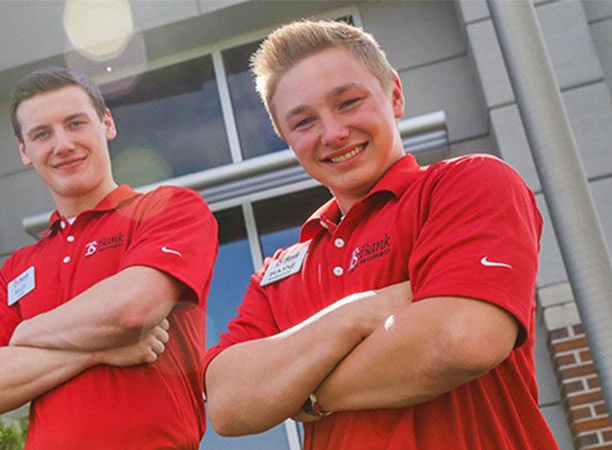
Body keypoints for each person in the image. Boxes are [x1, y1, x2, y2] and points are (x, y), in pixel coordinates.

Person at [203, 20, 558, 449]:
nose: (332, 133)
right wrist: (357, 313)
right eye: (303, 122)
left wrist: (304, 392)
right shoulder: (277, 276)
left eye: (349, 102)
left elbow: (461, 339)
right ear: (286, 139)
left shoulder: (468, 184)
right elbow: (226, 403)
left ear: (395, 95)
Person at [0, 67, 218, 449]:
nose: (62, 145)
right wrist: (101, 348)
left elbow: (132, 311)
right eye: (42, 134)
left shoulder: (168, 208)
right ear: (24, 152)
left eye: (75, 123)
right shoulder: (17, 269)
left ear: (107, 123)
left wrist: (24, 333)